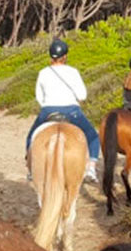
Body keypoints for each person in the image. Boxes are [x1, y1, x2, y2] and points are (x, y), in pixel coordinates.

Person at [25, 40, 100, 182]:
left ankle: (31, 169)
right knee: (93, 136)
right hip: (72, 111)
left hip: (48, 111)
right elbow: (82, 95)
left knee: (30, 137)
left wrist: (49, 105)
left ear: (50, 56)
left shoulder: (43, 73)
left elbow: (39, 97)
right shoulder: (73, 72)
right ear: (65, 56)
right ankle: (91, 168)